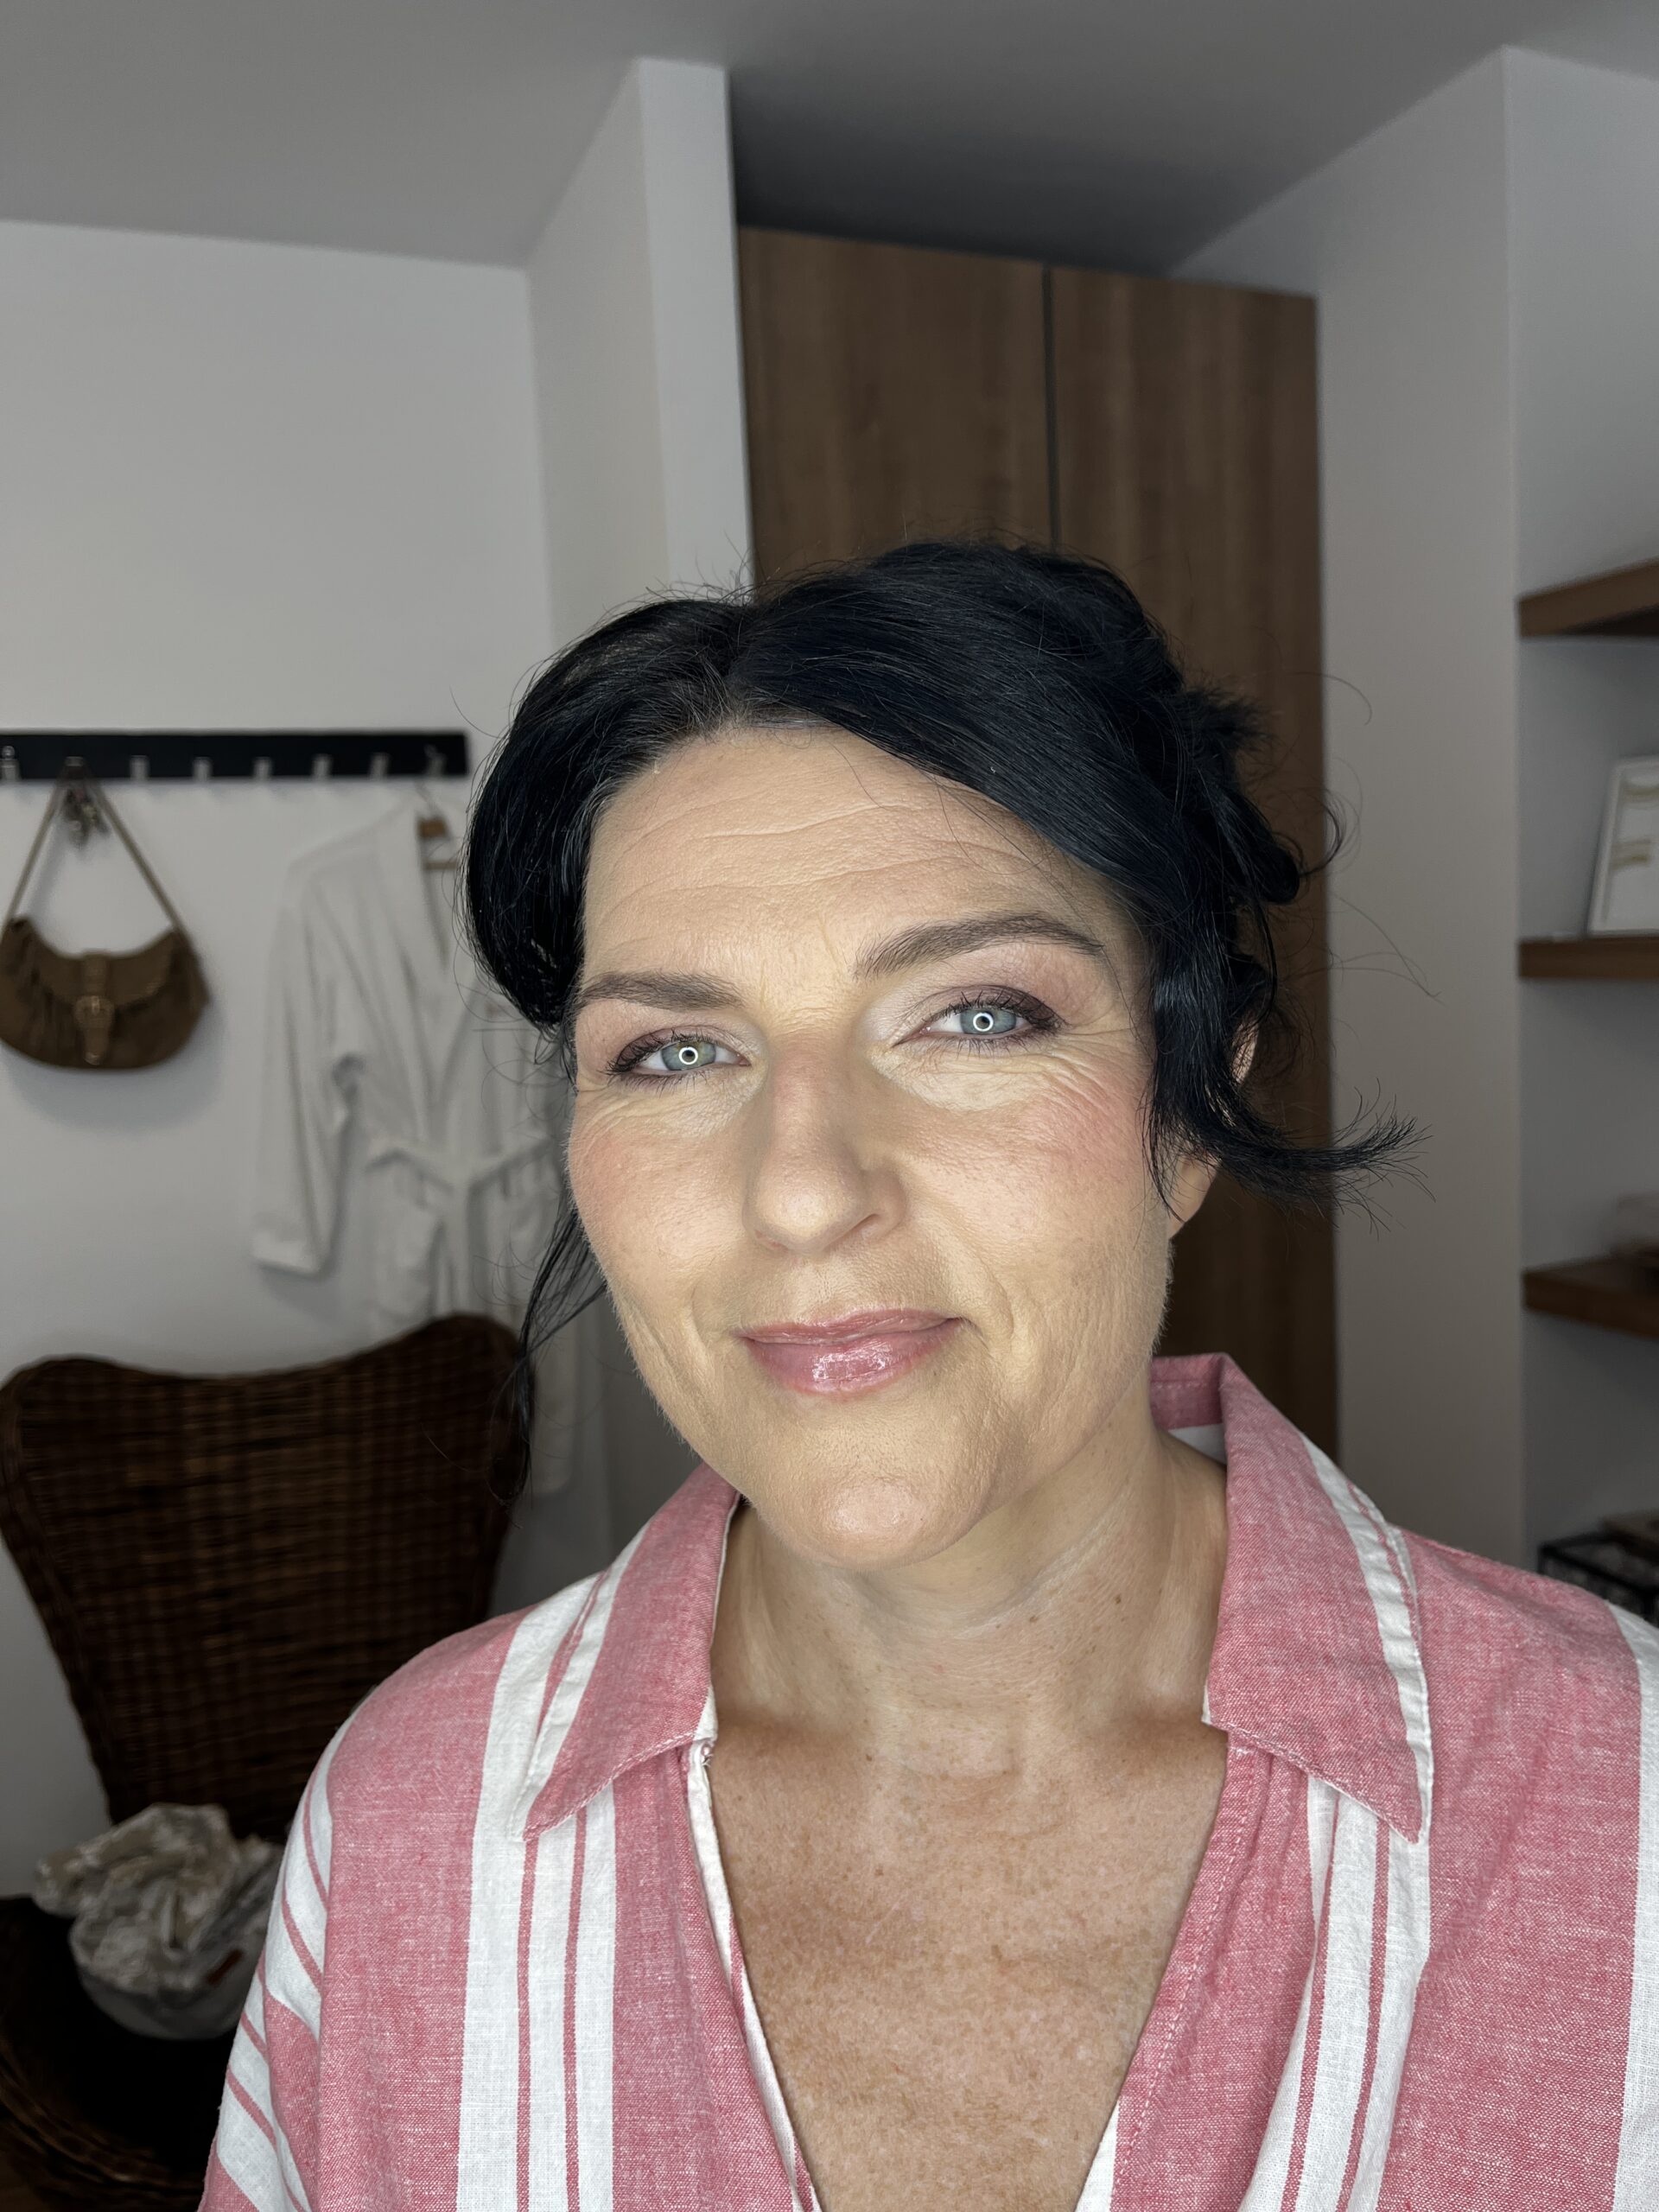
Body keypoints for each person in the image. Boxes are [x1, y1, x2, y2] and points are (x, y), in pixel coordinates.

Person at [201, 541, 1659, 2212]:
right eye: (676, 1051)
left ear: (1192, 1111)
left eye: (975, 1017)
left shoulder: (1618, 1799)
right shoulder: (409, 1821)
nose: (803, 1191)